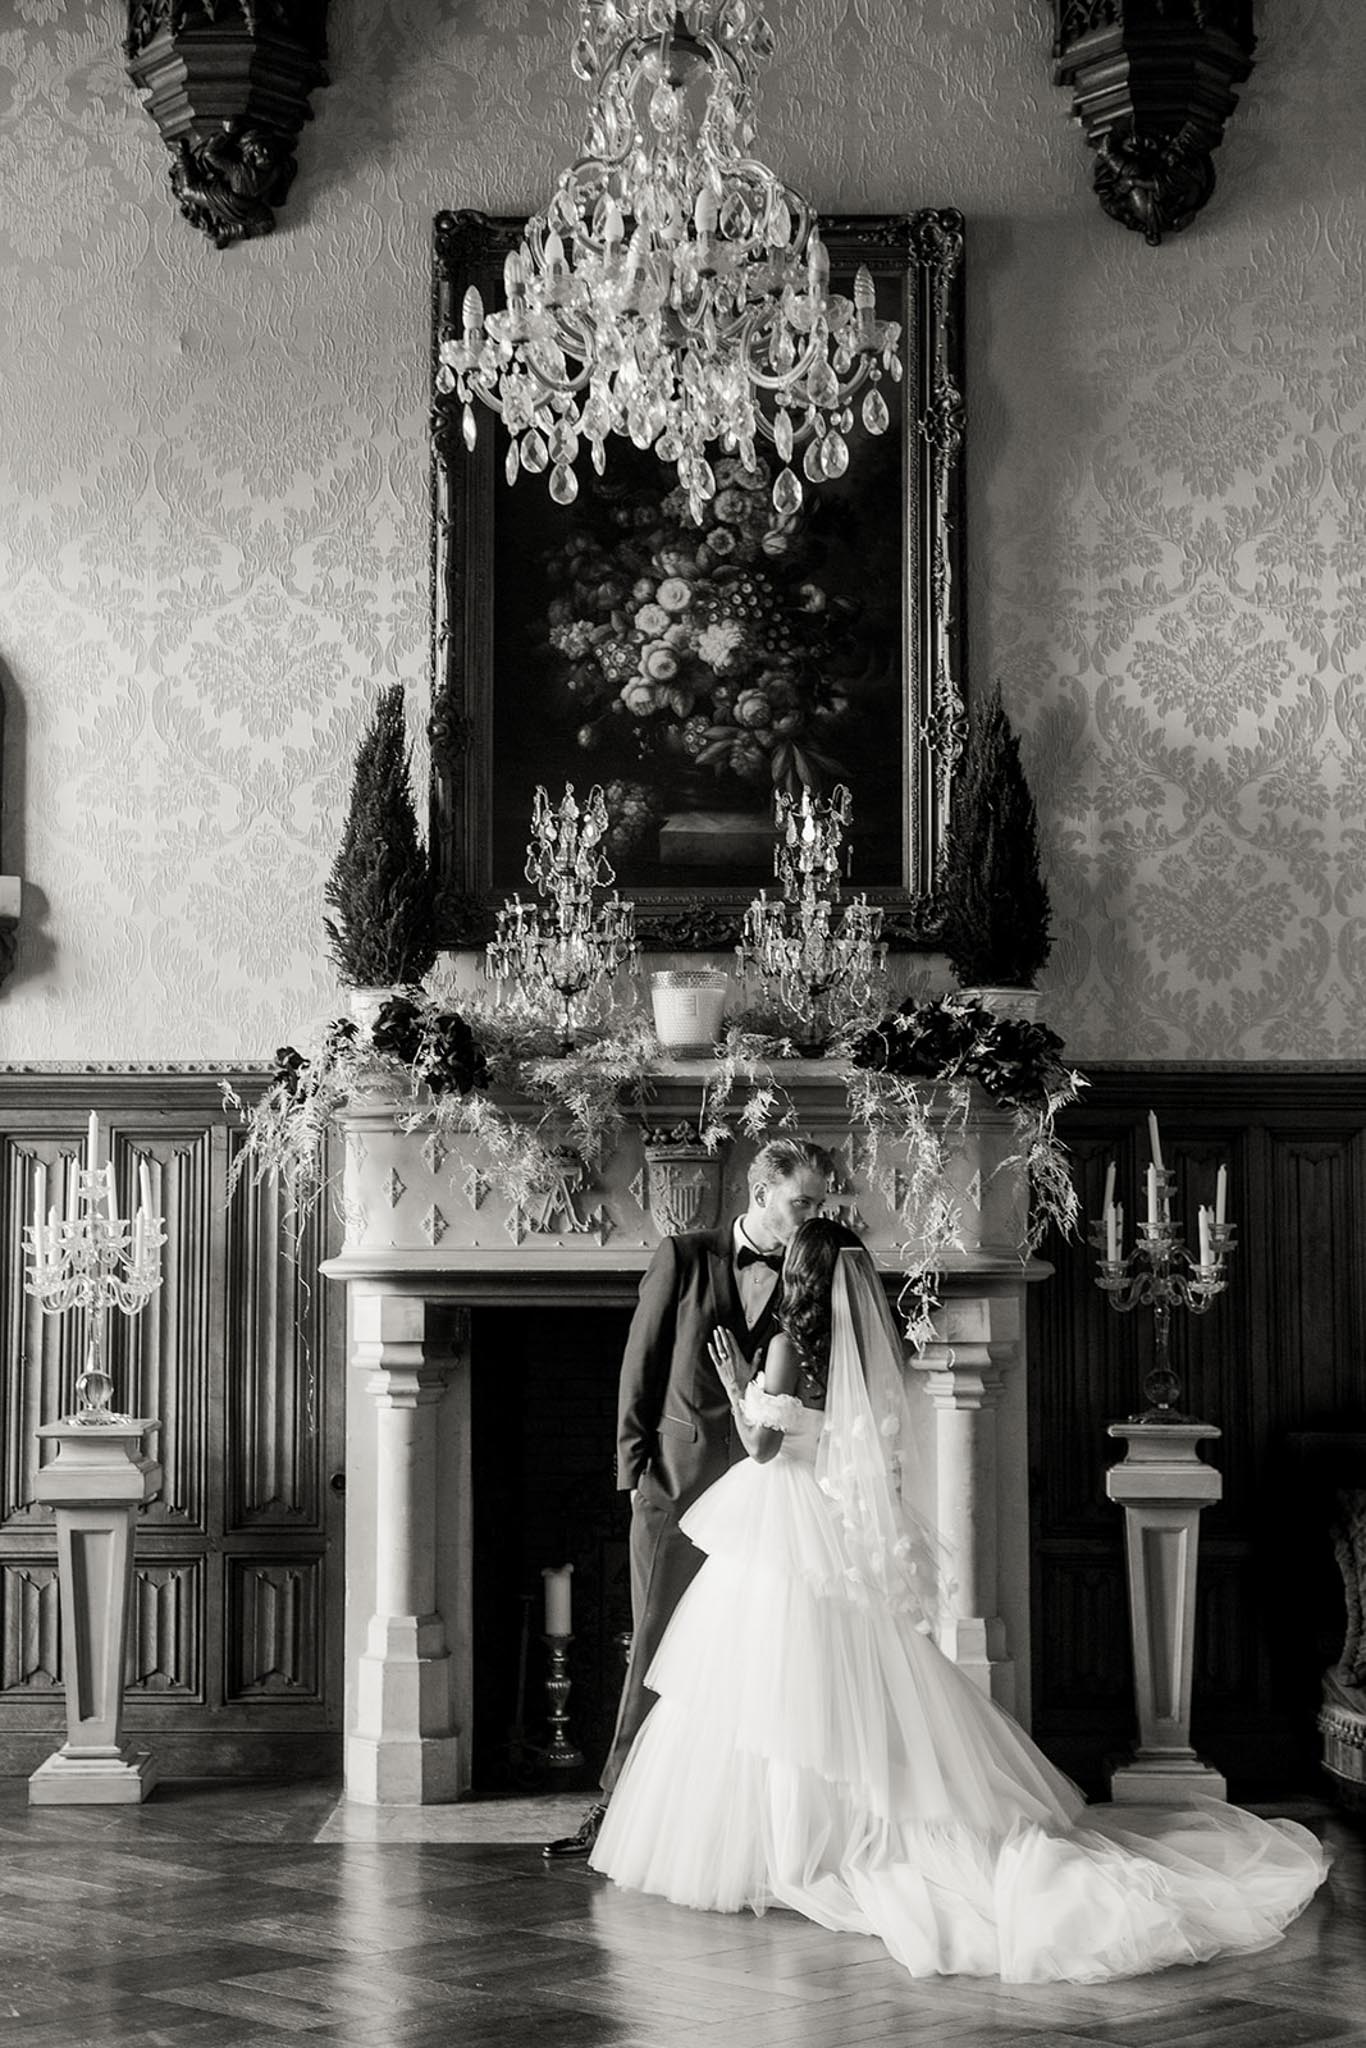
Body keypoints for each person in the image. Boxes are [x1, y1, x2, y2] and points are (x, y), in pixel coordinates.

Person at [588, 1217, 1331, 1982]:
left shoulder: (782, 1348)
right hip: (825, 1525)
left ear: (799, 1275)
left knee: (766, 1686)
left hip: (784, 1522)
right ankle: (825, 1831)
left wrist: (741, 1382)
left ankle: (780, 1843)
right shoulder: (845, 1349)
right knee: (840, 1679)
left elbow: (762, 1448)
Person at [542, 1135, 834, 1859]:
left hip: (765, 1503)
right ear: (760, 1191)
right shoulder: (685, 1255)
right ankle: (615, 1809)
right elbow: (638, 1366)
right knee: (657, 1650)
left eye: (819, 1205)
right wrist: (635, 1475)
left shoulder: (807, 1279)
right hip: (675, 1492)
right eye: (802, 1203)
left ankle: (726, 1826)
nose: (810, 1217)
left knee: (751, 1656)